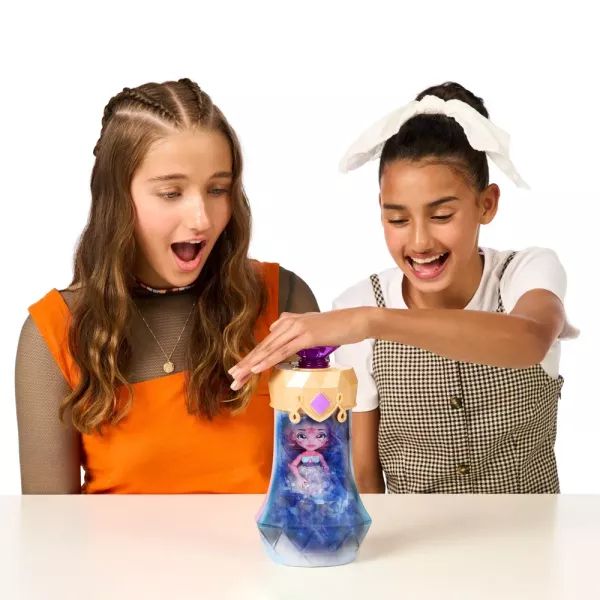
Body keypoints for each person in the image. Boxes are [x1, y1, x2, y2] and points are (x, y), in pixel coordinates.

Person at [230, 82, 578, 494]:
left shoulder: (525, 272)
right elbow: (365, 475)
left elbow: (530, 340)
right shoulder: (361, 301)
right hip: (416, 536)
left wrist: (371, 322)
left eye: (442, 215)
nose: (419, 242)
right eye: (397, 220)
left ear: (487, 204)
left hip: (534, 532)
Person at [15, 78, 318, 494]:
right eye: (172, 193)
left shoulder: (283, 298)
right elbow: (48, 525)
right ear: (116, 197)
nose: (202, 219)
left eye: (218, 189)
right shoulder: (54, 331)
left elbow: (322, 484)